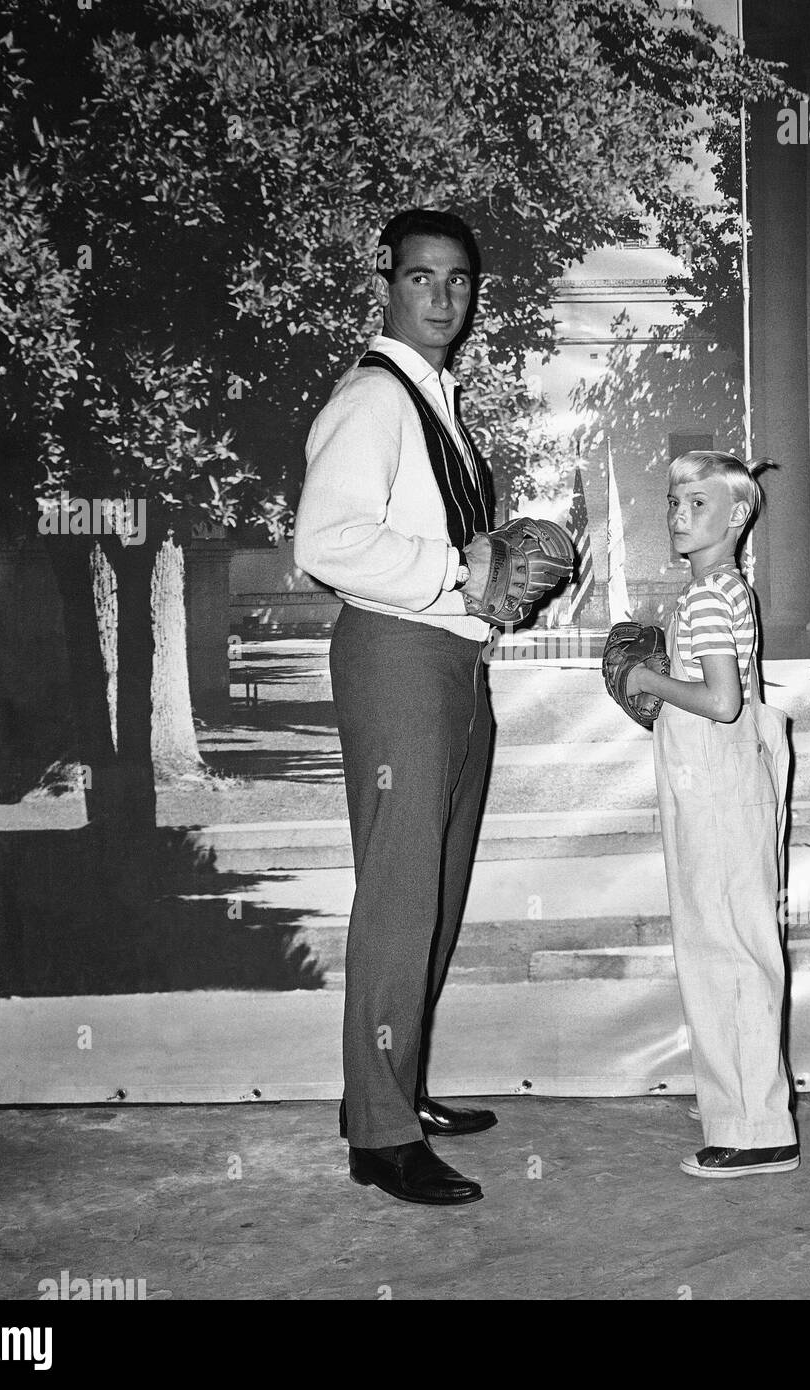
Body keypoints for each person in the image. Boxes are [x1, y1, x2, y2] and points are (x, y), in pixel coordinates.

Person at [294, 208, 505, 1206]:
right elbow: (325, 543)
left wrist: (502, 578)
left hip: (454, 663)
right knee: (399, 896)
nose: (443, 297)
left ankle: (395, 1086)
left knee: (438, 893)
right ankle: (378, 1135)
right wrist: (454, 572)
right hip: (397, 656)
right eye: (422, 278)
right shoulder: (374, 399)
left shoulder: (438, 404)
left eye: (459, 280)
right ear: (386, 282)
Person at [627, 451, 799, 1177]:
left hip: (715, 785)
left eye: (696, 504)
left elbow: (723, 702)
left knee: (722, 948)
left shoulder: (706, 598)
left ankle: (754, 1131)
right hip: (729, 777)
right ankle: (748, 1113)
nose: (677, 517)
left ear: (735, 516)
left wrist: (648, 679)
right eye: (673, 503)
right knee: (736, 944)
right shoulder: (727, 589)